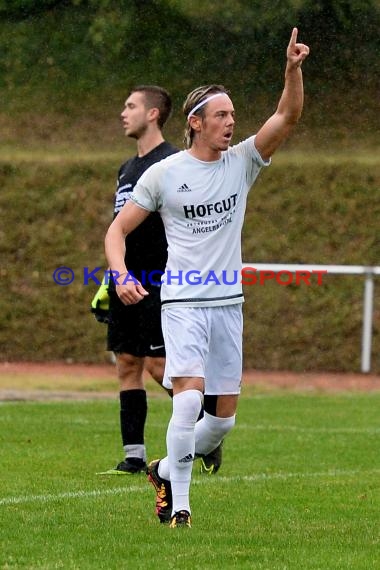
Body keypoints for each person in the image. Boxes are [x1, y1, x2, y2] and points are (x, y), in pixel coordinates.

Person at [104, 29, 309, 526]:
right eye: (221, 115)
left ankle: (162, 469)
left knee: (220, 424)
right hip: (182, 302)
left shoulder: (242, 163)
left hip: (228, 302)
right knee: (189, 396)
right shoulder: (164, 173)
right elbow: (117, 231)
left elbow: (287, 116)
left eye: (233, 115)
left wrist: (292, 71)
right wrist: (121, 273)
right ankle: (181, 506)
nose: (231, 121)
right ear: (195, 123)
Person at [96, 85, 223, 476]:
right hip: (125, 281)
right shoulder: (126, 168)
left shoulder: (172, 162)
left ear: (153, 114)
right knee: (127, 363)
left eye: (130, 106)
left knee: (157, 365)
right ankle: (134, 455)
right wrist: (113, 276)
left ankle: (207, 434)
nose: (123, 112)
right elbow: (120, 230)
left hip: (163, 281)